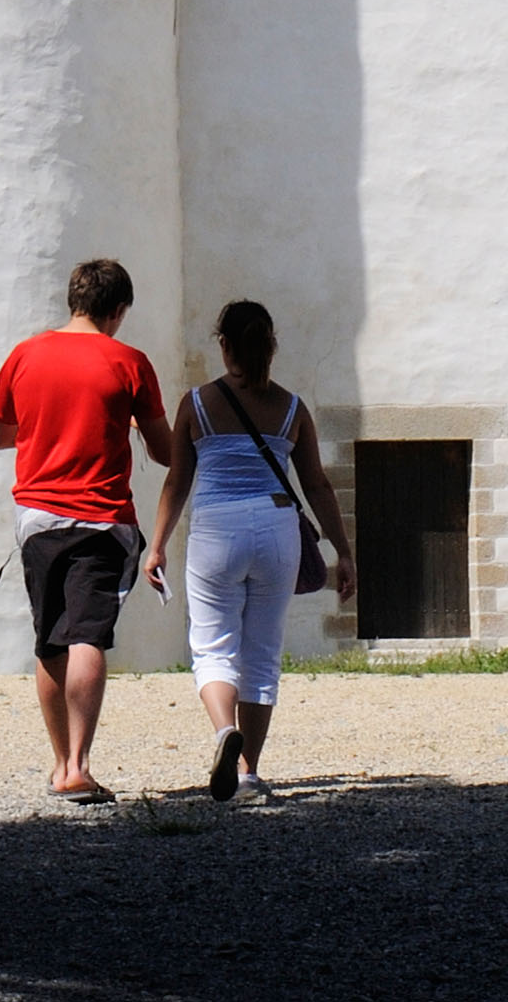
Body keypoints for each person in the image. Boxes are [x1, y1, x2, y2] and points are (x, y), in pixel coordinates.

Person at [0, 256, 175, 804]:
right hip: (101, 517)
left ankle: (59, 761)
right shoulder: (128, 361)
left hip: (38, 517)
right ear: (117, 311)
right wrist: (130, 422)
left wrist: (47, 427)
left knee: (50, 638)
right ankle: (80, 767)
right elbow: (164, 452)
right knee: (86, 634)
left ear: (73, 300)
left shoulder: (25, 354)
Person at [144, 296, 352, 802]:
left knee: (213, 645)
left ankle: (223, 733)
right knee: (261, 652)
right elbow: (318, 485)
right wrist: (344, 552)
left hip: (217, 526)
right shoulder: (292, 408)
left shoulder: (196, 405)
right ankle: (247, 774)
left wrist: (157, 546)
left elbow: (177, 480)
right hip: (277, 525)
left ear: (224, 345)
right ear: (271, 348)